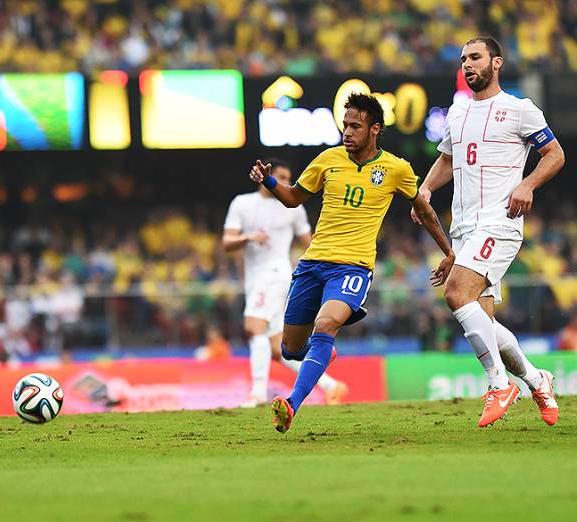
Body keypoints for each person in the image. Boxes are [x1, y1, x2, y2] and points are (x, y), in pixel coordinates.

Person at [249, 93, 455, 433]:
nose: (347, 131)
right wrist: (269, 181)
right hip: (312, 264)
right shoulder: (328, 159)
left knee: (326, 324)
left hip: (353, 267)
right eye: (345, 124)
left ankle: (291, 404)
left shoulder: (396, 169)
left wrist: (448, 252)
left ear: (374, 129)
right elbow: (292, 198)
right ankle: (323, 352)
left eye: (355, 126)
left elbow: (424, 211)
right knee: (290, 348)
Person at [413, 37, 566, 428]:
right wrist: (427, 190)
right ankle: (536, 379)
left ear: (496, 63)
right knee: (483, 321)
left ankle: (499, 384)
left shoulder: (519, 110)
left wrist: (527, 184)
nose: (467, 65)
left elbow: (555, 154)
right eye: (463, 59)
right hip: (463, 227)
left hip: (500, 221)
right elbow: (448, 159)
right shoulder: (457, 113)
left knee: (455, 293)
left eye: (475, 57)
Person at [223, 160, 348, 408]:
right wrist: (249, 237)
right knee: (277, 348)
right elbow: (227, 242)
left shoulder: (293, 208)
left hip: (276, 274)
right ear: (267, 176)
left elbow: (310, 243)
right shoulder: (243, 203)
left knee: (252, 328)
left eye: (288, 178)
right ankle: (330, 385)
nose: (284, 183)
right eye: (280, 176)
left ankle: (257, 394)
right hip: (255, 278)